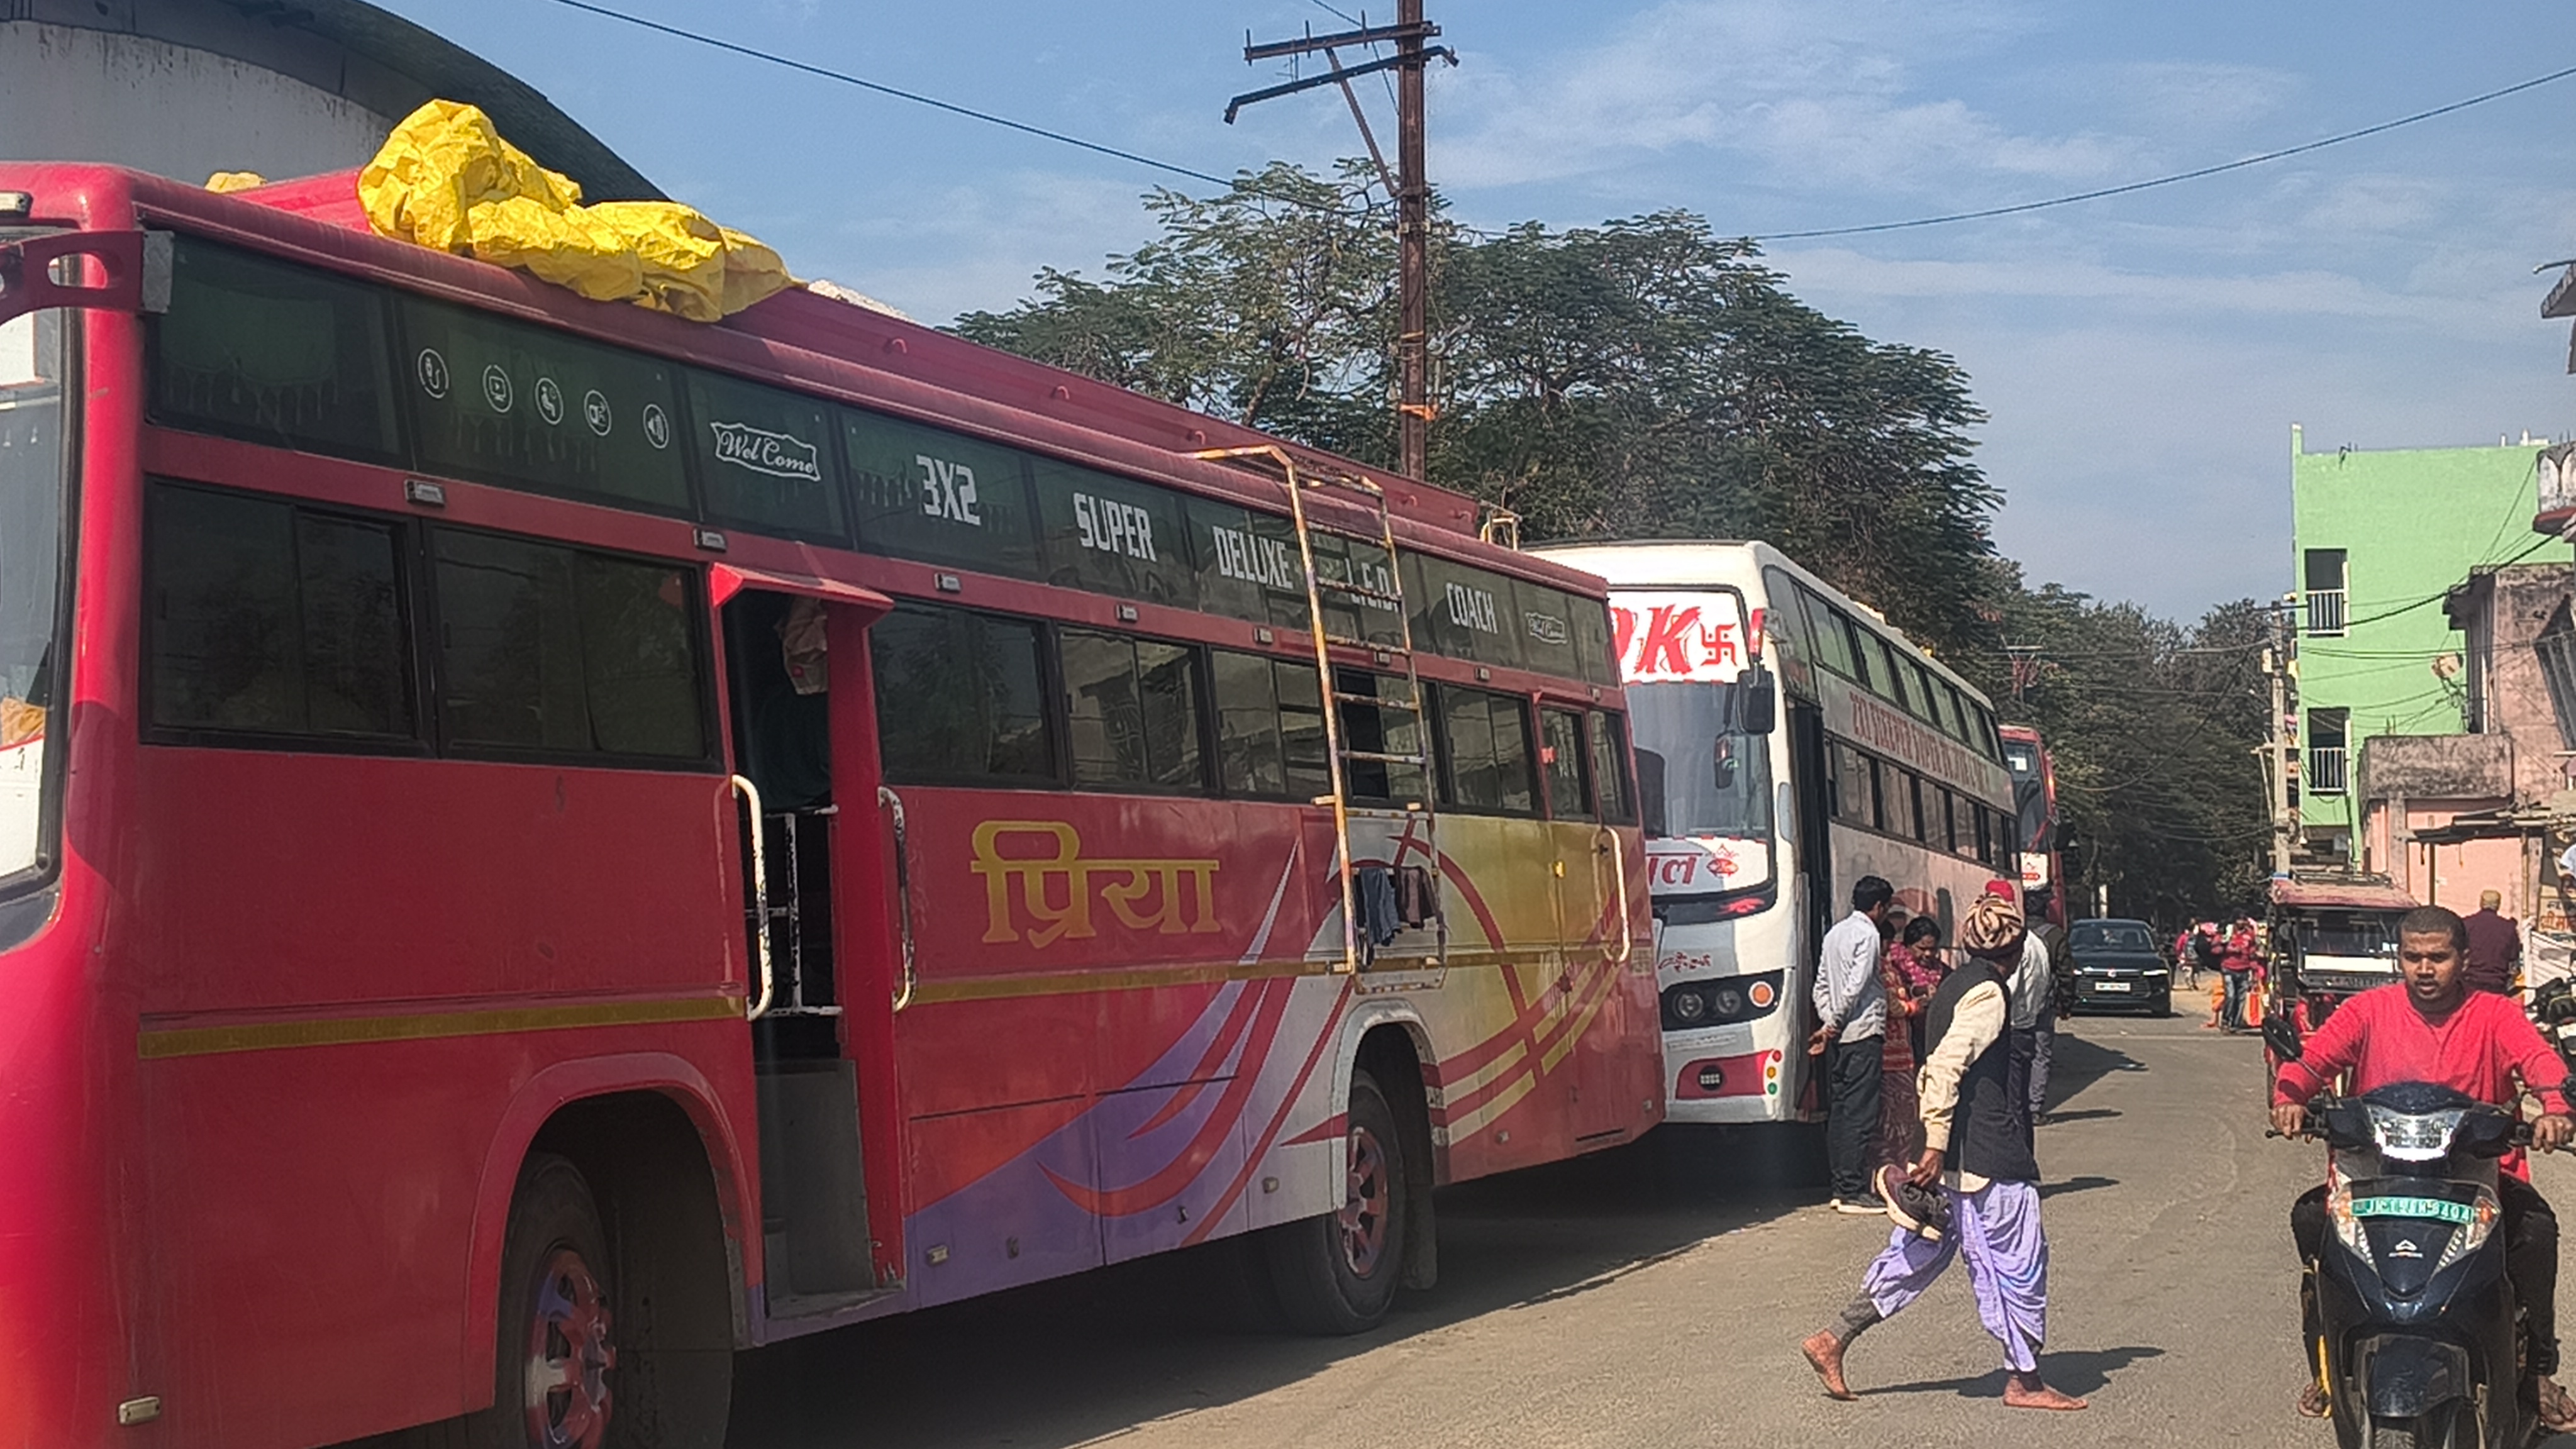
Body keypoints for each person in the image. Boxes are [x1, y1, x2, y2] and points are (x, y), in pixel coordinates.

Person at [2271, 904, 2576, 1428]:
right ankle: (2326, 1366)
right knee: (2311, 1222)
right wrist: (2290, 1097)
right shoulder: (2367, 1012)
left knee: (2536, 1232)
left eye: (2438, 957)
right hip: (2377, 1178)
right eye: (2413, 957)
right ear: (2400, 959)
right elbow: (2313, 1062)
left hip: (2476, 1180)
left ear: (2463, 958)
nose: (2425, 969)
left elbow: (2540, 1062)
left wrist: (2556, 1107)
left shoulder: (2496, 1014)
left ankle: (2537, 1372)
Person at [1799, 887, 2087, 1412]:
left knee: (1920, 1249)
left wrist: (1932, 1146)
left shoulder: (1953, 985)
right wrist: (1935, 1144)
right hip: (1987, 1154)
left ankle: (1832, 1339)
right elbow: (1950, 1067)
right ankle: (2024, 1381)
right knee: (2017, 1262)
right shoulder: (1987, 994)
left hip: (1952, 1153)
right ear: (2019, 949)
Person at [1811, 875, 1895, 1214]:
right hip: (1860, 1032)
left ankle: (1840, 1184)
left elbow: (1821, 984)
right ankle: (1851, 1188)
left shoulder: (1835, 933)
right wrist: (1834, 1024)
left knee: (1842, 1112)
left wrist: (1828, 1020)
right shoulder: (1868, 934)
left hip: (1841, 1035)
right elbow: (1856, 986)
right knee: (1860, 1113)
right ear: (1878, 907)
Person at [1874, 916, 1946, 1175]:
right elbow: (1894, 1006)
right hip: (1897, 1053)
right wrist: (1916, 1007)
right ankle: (1890, 1172)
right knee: (1896, 1116)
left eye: (1932, 949)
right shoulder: (1891, 969)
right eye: (1922, 948)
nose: (1928, 954)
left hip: (1923, 1048)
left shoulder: (1943, 972)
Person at [2024, 893, 2071, 1124]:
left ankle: (2016, 1103)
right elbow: (2065, 972)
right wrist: (2066, 1004)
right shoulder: (2055, 936)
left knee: (2016, 1052)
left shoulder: (2015, 932)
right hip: (2044, 1003)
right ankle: (2034, 1108)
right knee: (2040, 1054)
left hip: (2016, 1002)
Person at [2463, 889, 2523, 996]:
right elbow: (2514, 959)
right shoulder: (2508, 928)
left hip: (2469, 983)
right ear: (2498, 905)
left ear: (2481, 903)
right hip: (2497, 984)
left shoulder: (2467, 924)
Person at [2219, 917, 2261, 1033]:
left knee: (2241, 999)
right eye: (2239, 920)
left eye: (2243, 920)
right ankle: (2226, 1022)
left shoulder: (2250, 935)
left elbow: (2253, 954)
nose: (2241, 923)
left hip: (2244, 969)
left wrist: (2255, 972)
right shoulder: (2228, 932)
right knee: (2231, 996)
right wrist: (2229, 948)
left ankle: (2235, 1025)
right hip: (2228, 968)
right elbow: (2217, 947)